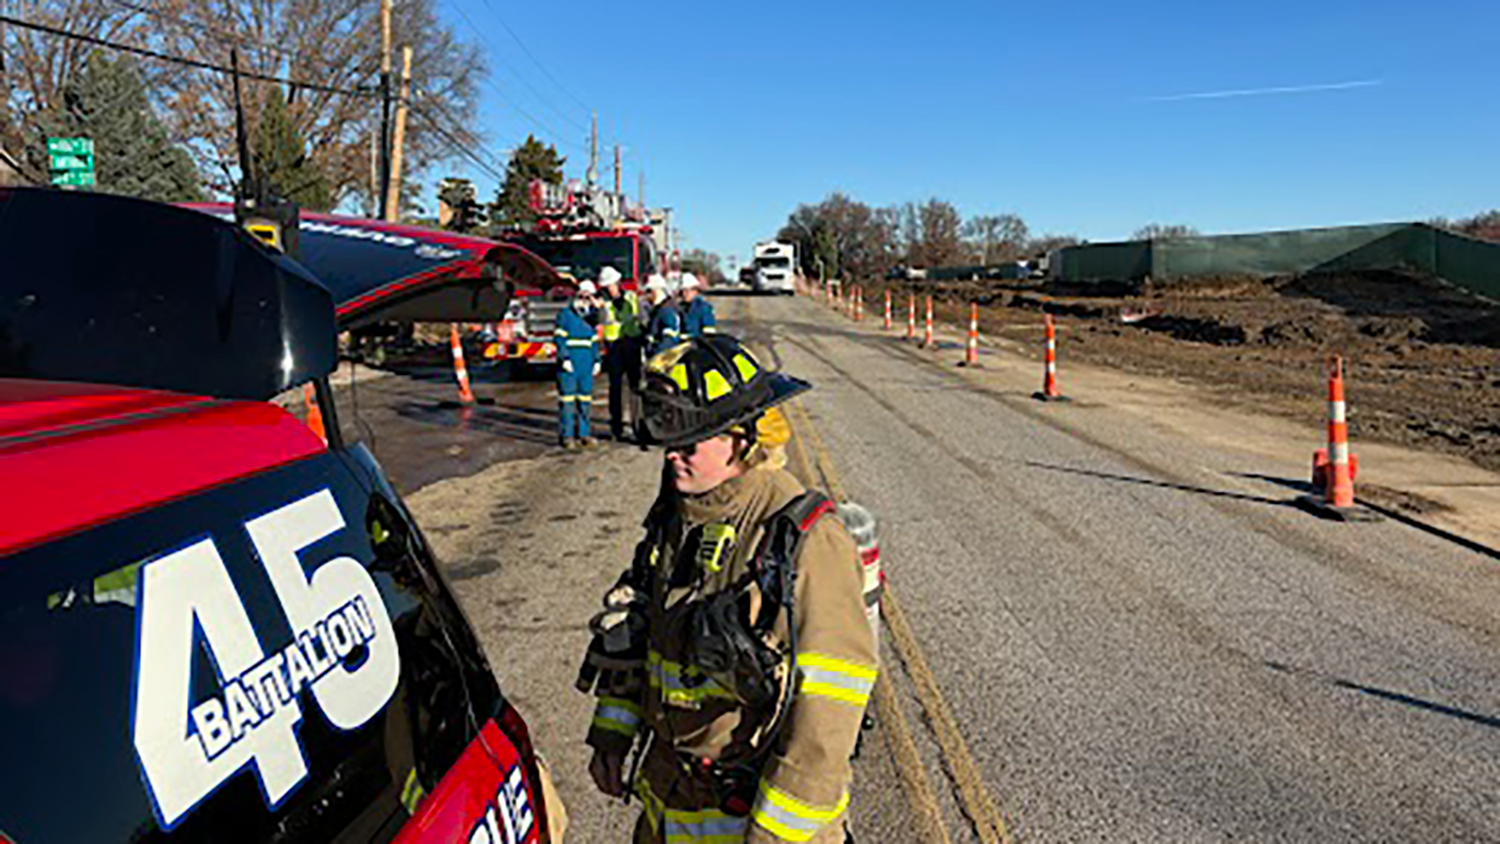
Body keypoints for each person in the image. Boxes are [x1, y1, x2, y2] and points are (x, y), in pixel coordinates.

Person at [577, 335, 878, 843]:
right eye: (668, 443)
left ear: (742, 437)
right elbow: (642, 632)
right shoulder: (677, 513)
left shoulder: (803, 537)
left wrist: (779, 833)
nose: (673, 457)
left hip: (752, 818)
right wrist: (612, 733)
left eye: (689, 444)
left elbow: (830, 705)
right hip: (670, 803)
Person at [599, 267, 645, 441]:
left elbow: (642, 318)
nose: (609, 290)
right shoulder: (604, 303)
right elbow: (601, 324)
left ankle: (638, 425)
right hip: (614, 349)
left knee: (636, 388)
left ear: (617, 283)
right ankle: (616, 427)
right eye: (606, 287)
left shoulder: (633, 299)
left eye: (610, 286)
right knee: (615, 389)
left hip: (632, 345)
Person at [555, 280, 601, 450]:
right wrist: (564, 357)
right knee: (567, 401)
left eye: (588, 297)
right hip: (570, 364)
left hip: (586, 364)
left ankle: (584, 434)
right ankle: (567, 436)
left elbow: (594, 341)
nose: (585, 299)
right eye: (582, 296)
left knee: (585, 400)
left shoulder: (591, 318)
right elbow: (560, 338)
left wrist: (597, 360)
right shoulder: (566, 315)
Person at [644, 274, 683, 357]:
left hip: (665, 359)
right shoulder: (658, 310)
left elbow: (668, 340)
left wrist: (656, 354)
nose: (647, 297)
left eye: (649, 292)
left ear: (656, 292)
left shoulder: (666, 311)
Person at [679, 273, 718, 338]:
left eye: (688, 291)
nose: (685, 294)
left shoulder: (704, 308)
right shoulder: (679, 307)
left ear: (695, 291)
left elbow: (708, 334)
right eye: (683, 291)